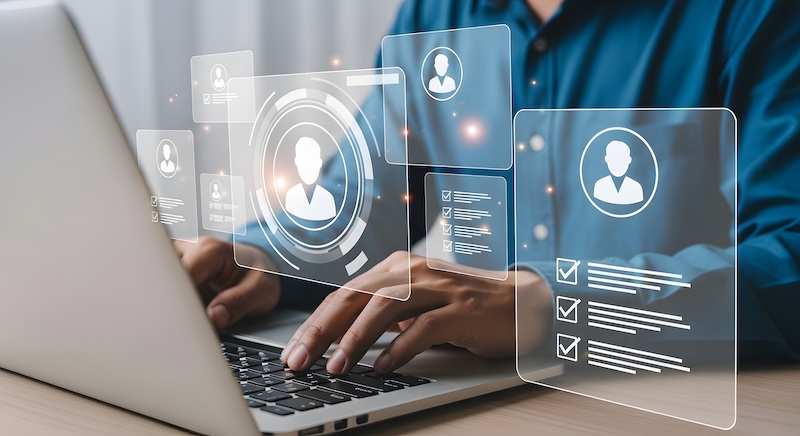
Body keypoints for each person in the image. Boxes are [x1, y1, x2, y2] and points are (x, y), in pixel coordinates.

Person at [176, 0, 800, 376]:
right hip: (485, 398)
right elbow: (368, 199)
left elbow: (789, 255)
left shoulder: (754, 14)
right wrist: (260, 257)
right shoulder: (434, 14)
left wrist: (549, 301)